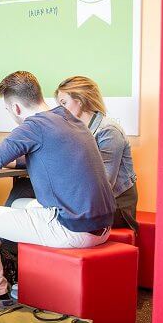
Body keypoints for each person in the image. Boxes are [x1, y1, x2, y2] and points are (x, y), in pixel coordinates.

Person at [0, 71, 115, 319]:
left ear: (16, 108)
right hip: (102, 227)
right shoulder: (67, 119)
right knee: (18, 203)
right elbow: (35, 154)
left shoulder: (32, 126)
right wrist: (5, 159)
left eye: (8, 110)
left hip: (72, 229)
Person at [56, 76, 139, 232]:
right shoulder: (76, 130)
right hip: (91, 202)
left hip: (116, 207)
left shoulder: (109, 131)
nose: (60, 109)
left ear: (79, 100)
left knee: (52, 215)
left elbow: (104, 184)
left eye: (63, 103)